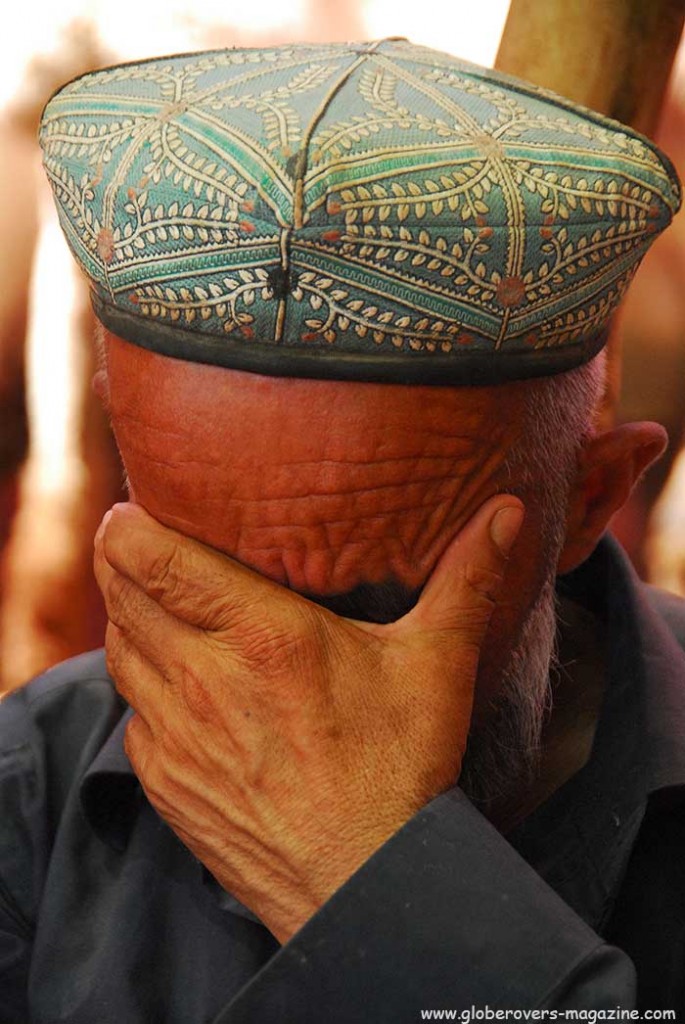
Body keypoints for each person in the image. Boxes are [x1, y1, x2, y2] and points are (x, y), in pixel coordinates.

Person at [2, 39, 684, 1021]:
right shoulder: (30, 801)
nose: (273, 674)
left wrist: (376, 888)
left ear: (587, 499)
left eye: (364, 605)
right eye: (203, 580)